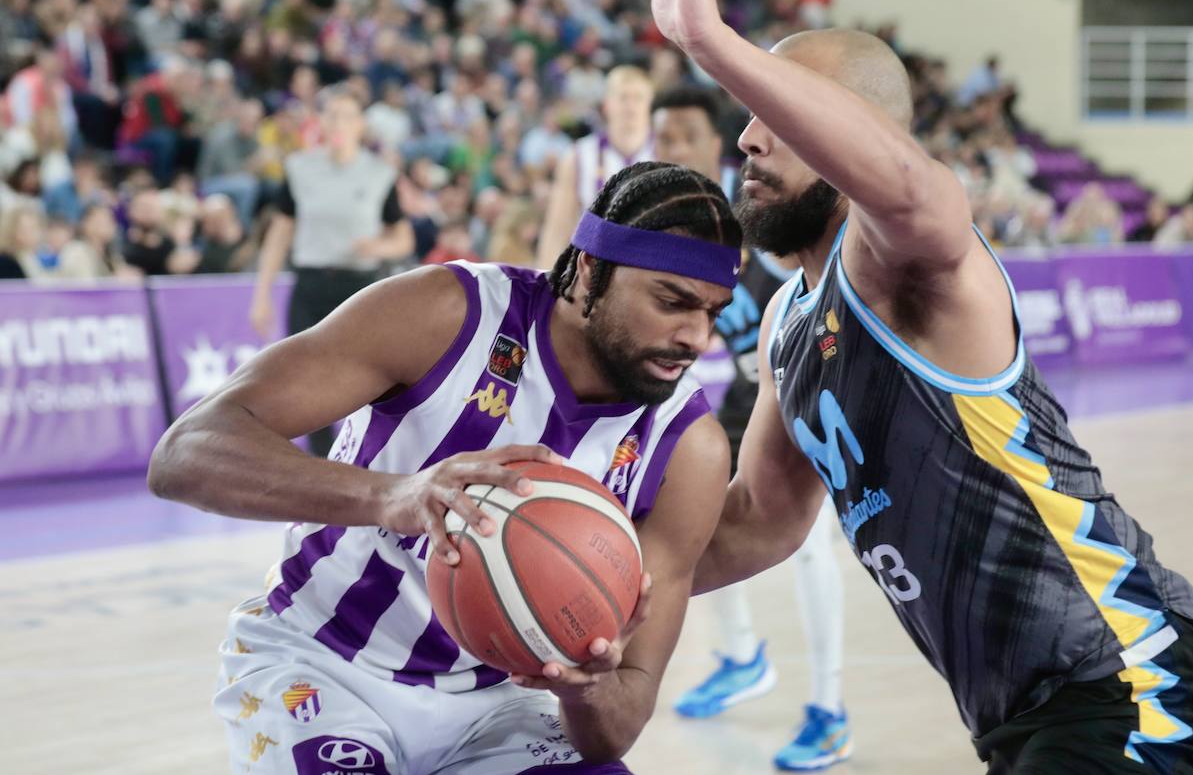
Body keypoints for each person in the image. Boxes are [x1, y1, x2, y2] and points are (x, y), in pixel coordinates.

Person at [646, 0, 1193, 774]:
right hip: (1022, 712)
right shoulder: (787, 330)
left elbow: (918, 189)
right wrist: (606, 581)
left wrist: (714, 42)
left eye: (775, 111)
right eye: (748, 109)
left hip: (1127, 669)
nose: (748, 135)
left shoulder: (904, 259)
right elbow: (757, 521)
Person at [147, 161, 742, 775]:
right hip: (318, 660)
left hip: (498, 704)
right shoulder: (449, 312)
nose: (697, 337)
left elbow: (613, 733)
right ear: (590, 270)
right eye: (672, 303)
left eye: (714, 312)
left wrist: (584, 685)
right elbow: (185, 451)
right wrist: (394, 495)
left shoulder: (689, 447)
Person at [651, 86, 852, 769]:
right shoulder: (674, 225)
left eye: (680, 136)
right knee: (688, 520)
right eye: (660, 137)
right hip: (740, 390)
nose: (666, 149)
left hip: (801, 379)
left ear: (716, 145)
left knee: (808, 544)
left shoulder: (764, 222)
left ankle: (829, 709)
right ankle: (742, 657)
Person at [250, 91, 416, 456]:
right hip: (310, 284)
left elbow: (403, 237)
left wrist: (379, 247)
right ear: (321, 123)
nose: (338, 123)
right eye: (332, 115)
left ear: (360, 125)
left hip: (361, 288)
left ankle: (376, 455)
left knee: (374, 377)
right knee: (308, 382)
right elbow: (279, 235)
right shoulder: (299, 169)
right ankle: (321, 463)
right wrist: (261, 295)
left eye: (347, 116)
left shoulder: (379, 174)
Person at [535, 65, 655, 268]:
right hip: (593, 268)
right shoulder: (579, 155)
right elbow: (557, 228)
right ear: (606, 104)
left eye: (638, 98)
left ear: (650, 105)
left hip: (650, 266)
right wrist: (547, 281)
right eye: (623, 98)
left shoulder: (667, 153)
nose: (630, 106)